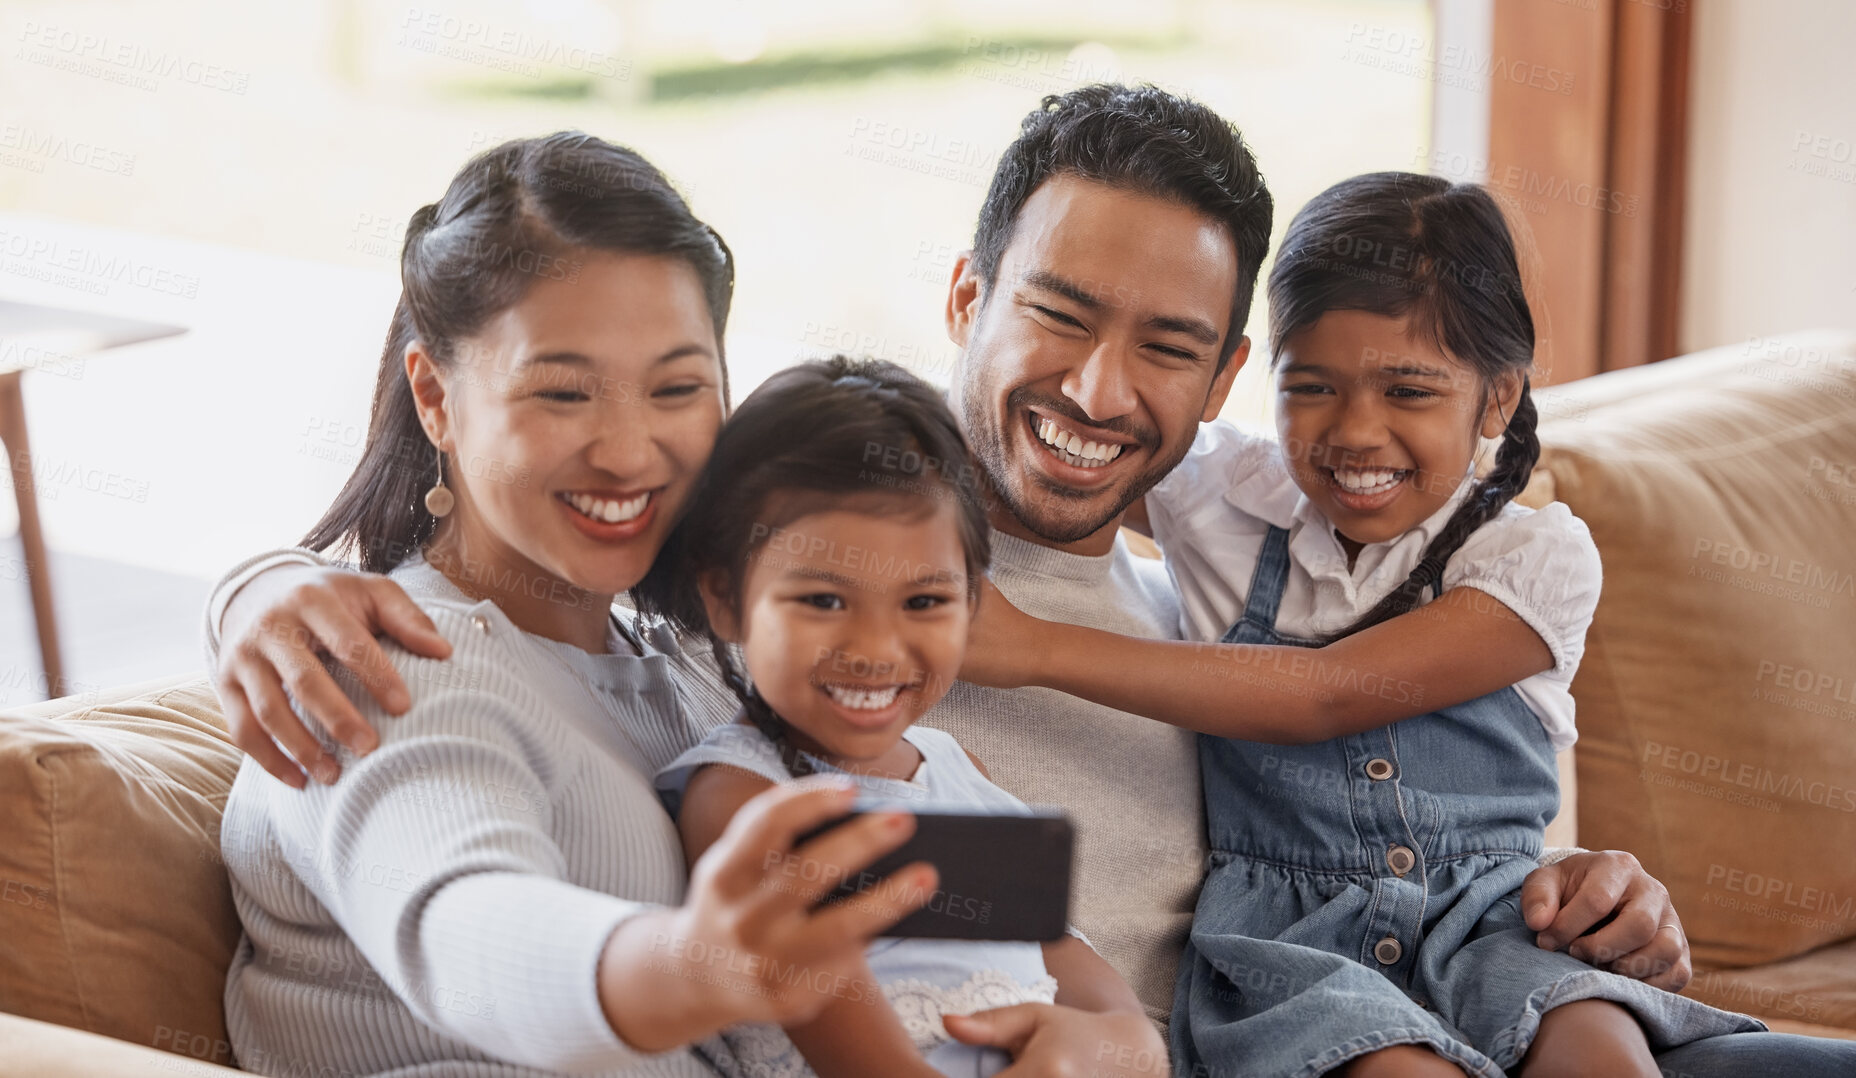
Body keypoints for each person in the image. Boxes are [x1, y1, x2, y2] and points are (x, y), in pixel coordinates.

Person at [205, 86, 1706, 1072]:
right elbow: (470, 918)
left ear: (1226, 376)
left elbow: (952, 850)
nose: (1104, 389)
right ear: (966, 297)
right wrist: (268, 590)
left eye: (677, 388)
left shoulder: (1205, 574)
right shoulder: (798, 571)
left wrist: (1116, 1021)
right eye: (1059, 313)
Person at [960, 172, 1856, 1076]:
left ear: (1497, 400)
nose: (1355, 432)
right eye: (1310, 386)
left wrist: (1032, 648)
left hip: (1497, 921)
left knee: (1602, 1054)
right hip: (1296, 947)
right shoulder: (1232, 502)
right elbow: (1081, 436)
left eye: (1409, 392)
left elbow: (1327, 695)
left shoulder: (1532, 559)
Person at [217, 132, 953, 1078]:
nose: (629, 451)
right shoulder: (392, 663)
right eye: (563, 391)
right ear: (436, 397)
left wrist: (1095, 1020)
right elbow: (466, 924)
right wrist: (695, 966)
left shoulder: (684, 663)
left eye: (678, 388)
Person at [640, 356, 1156, 1077]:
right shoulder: (743, 800)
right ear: (726, 599)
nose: (875, 650)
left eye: (923, 602)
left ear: (971, 606)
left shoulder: (957, 770)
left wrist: (1115, 1041)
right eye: (822, 601)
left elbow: (1082, 976)